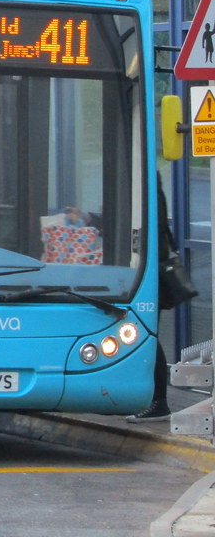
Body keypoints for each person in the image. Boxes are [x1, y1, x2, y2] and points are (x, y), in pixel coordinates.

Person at [127, 173, 174, 422]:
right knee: (146, 334)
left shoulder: (146, 194)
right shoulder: (148, 190)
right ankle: (154, 399)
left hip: (148, 276)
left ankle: (159, 402)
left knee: (147, 335)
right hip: (147, 274)